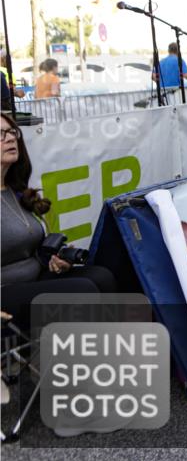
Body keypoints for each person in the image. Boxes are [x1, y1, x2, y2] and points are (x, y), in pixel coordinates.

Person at [1, 113, 116, 326]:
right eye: (1, 134)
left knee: (102, 276)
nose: (10, 139)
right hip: (5, 293)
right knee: (83, 291)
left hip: (34, 279)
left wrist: (52, 261)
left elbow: (27, 248)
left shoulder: (15, 191)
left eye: (11, 132)